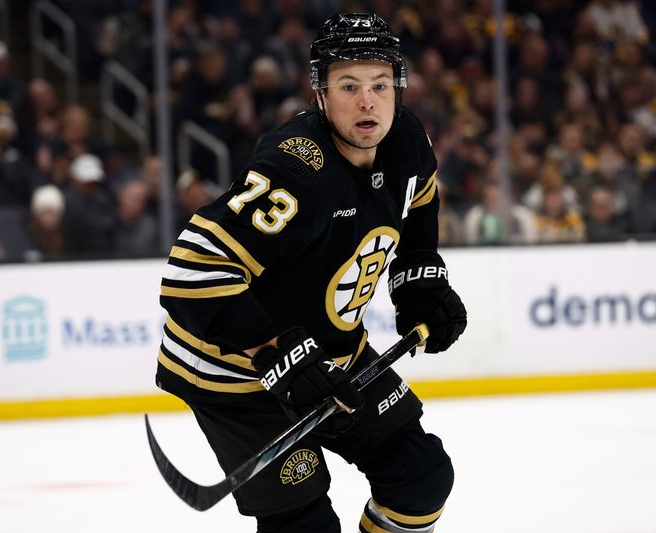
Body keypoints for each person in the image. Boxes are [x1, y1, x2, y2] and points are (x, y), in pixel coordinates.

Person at [154, 13, 467, 533]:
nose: (368, 101)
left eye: (380, 85)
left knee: (421, 477)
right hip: (232, 374)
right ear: (320, 93)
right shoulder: (296, 170)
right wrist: (274, 351)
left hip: (330, 355)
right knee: (304, 524)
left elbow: (421, 199)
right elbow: (194, 272)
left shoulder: (407, 139)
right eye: (349, 86)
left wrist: (419, 272)